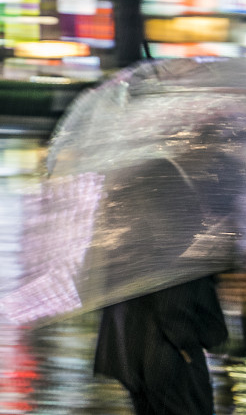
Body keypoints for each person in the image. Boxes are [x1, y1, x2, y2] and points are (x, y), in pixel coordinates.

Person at [92, 156, 230, 415]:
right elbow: (210, 330)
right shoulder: (181, 247)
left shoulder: (121, 244)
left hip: (131, 364)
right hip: (176, 365)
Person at [94, 276, 228, 415]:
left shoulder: (126, 263)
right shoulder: (189, 268)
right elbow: (214, 333)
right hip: (177, 365)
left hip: (130, 362)